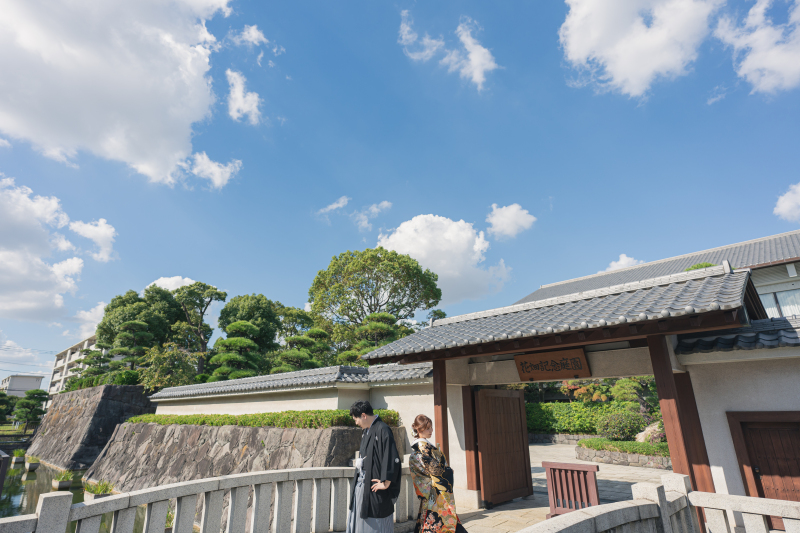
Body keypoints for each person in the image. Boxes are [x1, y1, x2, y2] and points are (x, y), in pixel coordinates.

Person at [346, 400, 402, 533]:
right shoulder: (366, 430)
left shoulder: (383, 429)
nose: (356, 423)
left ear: (364, 415)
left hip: (374, 486)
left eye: (356, 419)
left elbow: (391, 455)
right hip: (363, 485)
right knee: (360, 518)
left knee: (376, 519)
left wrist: (386, 481)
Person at [409, 415, 468, 533]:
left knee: (434, 522)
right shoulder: (422, 448)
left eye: (431, 428)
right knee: (439, 522)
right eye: (428, 428)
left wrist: (446, 469)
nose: (431, 431)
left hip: (431, 492)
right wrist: (448, 471)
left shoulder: (425, 446)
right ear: (419, 430)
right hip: (434, 493)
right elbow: (435, 469)